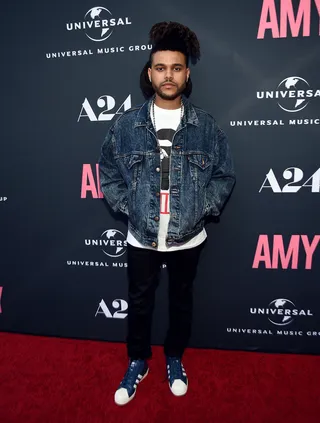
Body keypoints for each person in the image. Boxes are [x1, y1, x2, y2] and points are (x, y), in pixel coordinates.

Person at [98, 21, 236, 406]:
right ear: (150, 73)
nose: (168, 75)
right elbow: (107, 172)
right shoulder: (125, 126)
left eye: (176, 68)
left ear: (187, 74)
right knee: (139, 302)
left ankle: (174, 357)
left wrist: (201, 210)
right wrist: (128, 208)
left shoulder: (206, 127)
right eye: (161, 68)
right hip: (140, 234)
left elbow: (224, 175)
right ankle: (138, 360)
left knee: (181, 300)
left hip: (188, 235)